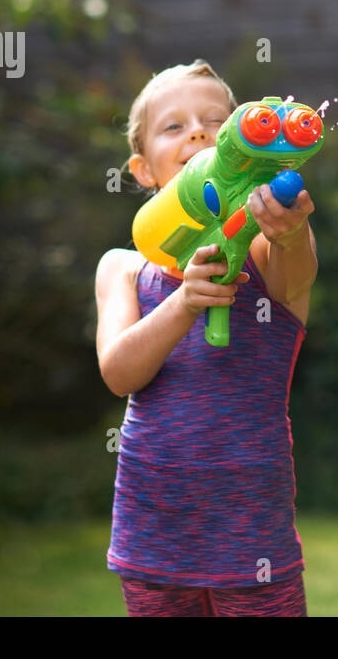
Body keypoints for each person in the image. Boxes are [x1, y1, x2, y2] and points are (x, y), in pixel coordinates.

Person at [94, 60, 318, 616]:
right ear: (143, 169)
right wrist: (184, 301)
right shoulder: (123, 269)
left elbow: (298, 275)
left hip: (252, 535)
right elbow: (120, 373)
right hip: (153, 533)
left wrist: (291, 230)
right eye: (174, 126)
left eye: (216, 120)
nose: (197, 131)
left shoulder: (268, 246)